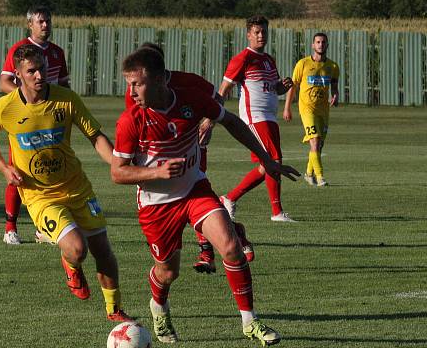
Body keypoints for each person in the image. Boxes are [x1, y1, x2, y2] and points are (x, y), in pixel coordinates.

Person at [111, 47, 300, 345]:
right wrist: (156, 173)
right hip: (156, 205)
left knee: (230, 245)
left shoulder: (191, 99)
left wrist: (266, 159)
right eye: (128, 83)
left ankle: (249, 321)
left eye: (137, 83)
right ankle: (158, 306)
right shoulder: (130, 120)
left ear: (161, 79)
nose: (131, 91)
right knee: (168, 272)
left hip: (194, 190)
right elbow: (117, 172)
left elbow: (233, 123)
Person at [0, 44, 130, 321]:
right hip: (40, 196)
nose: (39, 76)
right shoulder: (5, 107)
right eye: (31, 71)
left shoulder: (66, 100)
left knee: (103, 249)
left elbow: (95, 136)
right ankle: (71, 264)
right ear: (18, 75)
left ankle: (114, 310)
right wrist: (3, 167)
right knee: (77, 249)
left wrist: (117, 164)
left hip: (77, 187)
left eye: (42, 69)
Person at [126, 43, 254, 275]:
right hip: (158, 177)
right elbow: (137, 127)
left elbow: (217, 99)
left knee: (195, 197)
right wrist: (144, 169)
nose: (134, 89)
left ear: (159, 71)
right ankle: (232, 229)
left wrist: (208, 121)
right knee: (168, 268)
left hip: (191, 150)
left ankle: (207, 251)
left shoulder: (187, 83)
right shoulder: (136, 94)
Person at [0, 5, 70, 245]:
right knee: (18, 170)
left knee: (51, 168)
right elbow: (4, 83)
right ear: (30, 24)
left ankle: (44, 228)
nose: (45, 25)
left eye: (48, 20)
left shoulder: (58, 53)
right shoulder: (18, 50)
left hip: (51, 121)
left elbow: (63, 87)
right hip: (24, 118)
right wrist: (26, 97)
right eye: (40, 21)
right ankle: (10, 229)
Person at [218, 16, 296, 223]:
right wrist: (212, 114)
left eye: (264, 32)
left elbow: (273, 87)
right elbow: (224, 89)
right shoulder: (243, 58)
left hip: (270, 116)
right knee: (274, 160)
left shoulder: (269, 59)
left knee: (267, 164)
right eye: (257, 32)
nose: (261, 36)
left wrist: (283, 86)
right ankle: (277, 212)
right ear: (248, 35)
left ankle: (229, 198)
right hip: (254, 117)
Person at [283, 32, 340, 187]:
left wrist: (335, 96)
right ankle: (320, 177)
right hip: (307, 109)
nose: (320, 45)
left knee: (319, 144)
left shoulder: (333, 66)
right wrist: (287, 107)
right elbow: (292, 86)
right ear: (313, 45)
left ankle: (309, 174)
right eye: (318, 42)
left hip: (323, 110)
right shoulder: (303, 64)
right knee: (314, 141)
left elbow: (334, 87)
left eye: (323, 42)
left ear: (327, 45)